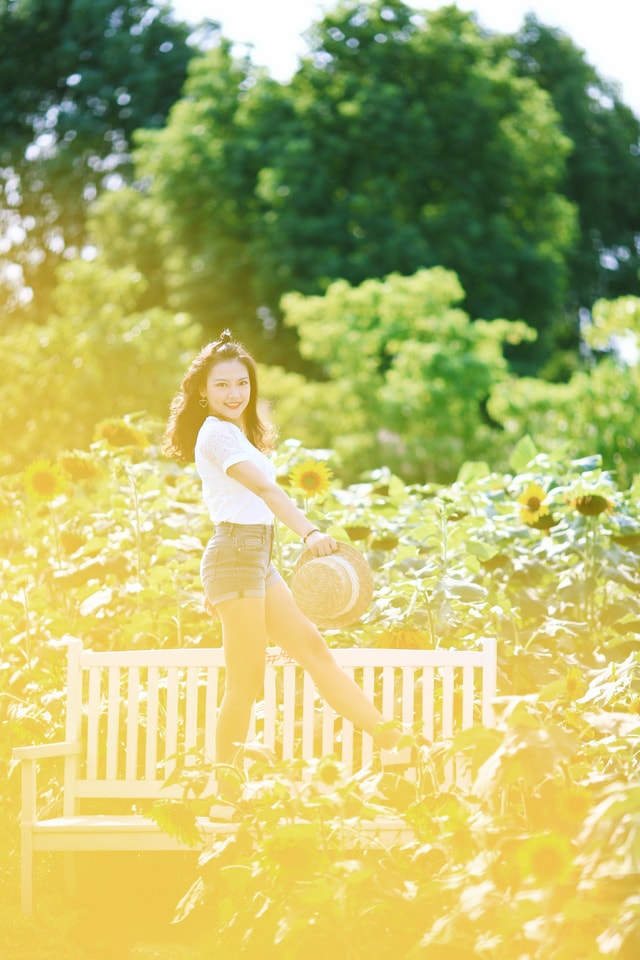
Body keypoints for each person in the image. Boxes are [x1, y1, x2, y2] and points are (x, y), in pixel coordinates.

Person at [163, 329, 400, 780]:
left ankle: (393, 740)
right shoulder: (216, 436)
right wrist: (310, 533)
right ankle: (225, 791)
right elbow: (264, 489)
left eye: (242, 384)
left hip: (254, 559)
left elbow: (244, 504)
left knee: (313, 648)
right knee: (246, 681)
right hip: (235, 556)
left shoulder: (238, 434)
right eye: (222, 385)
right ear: (201, 390)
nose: (234, 394)